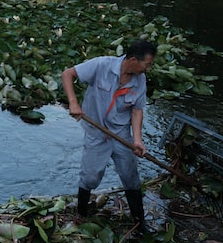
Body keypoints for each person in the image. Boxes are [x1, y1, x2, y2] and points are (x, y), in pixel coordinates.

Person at [61, 40, 157, 232]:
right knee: (90, 177)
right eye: (147, 63)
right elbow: (67, 74)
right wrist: (73, 103)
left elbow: (137, 110)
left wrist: (137, 140)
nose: (148, 68)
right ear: (133, 60)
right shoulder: (102, 65)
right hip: (97, 132)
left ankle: (140, 222)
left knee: (131, 175)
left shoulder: (140, 80)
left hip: (121, 133)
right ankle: (81, 214)